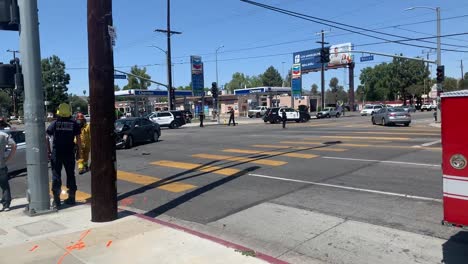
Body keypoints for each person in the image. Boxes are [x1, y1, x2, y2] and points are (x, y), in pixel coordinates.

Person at [46, 103, 81, 209]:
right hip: (69, 152)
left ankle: (56, 201)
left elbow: (46, 137)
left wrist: (49, 151)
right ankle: (71, 198)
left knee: (56, 175)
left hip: (57, 153)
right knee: (71, 174)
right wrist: (79, 152)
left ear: (59, 113)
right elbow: (78, 139)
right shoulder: (74, 123)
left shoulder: (54, 124)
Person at [0, 129, 16, 211]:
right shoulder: (4, 135)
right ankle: (6, 205)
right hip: (1, 165)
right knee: (5, 186)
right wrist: (8, 158)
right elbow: (14, 145)